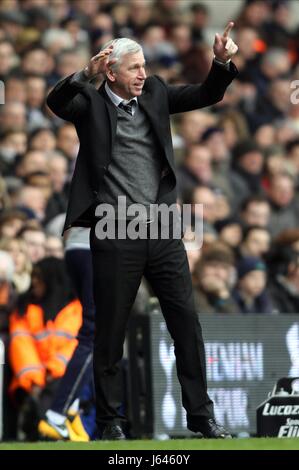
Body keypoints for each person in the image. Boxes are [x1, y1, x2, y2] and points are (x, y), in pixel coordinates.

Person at [47, 24, 238, 440]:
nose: (142, 74)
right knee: (110, 331)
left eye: (144, 66)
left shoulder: (155, 92)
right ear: (110, 72)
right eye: (134, 67)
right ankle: (113, 421)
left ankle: (201, 415)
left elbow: (208, 93)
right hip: (115, 230)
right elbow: (56, 101)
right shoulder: (89, 104)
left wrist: (221, 61)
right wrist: (85, 71)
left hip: (163, 226)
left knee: (185, 321)